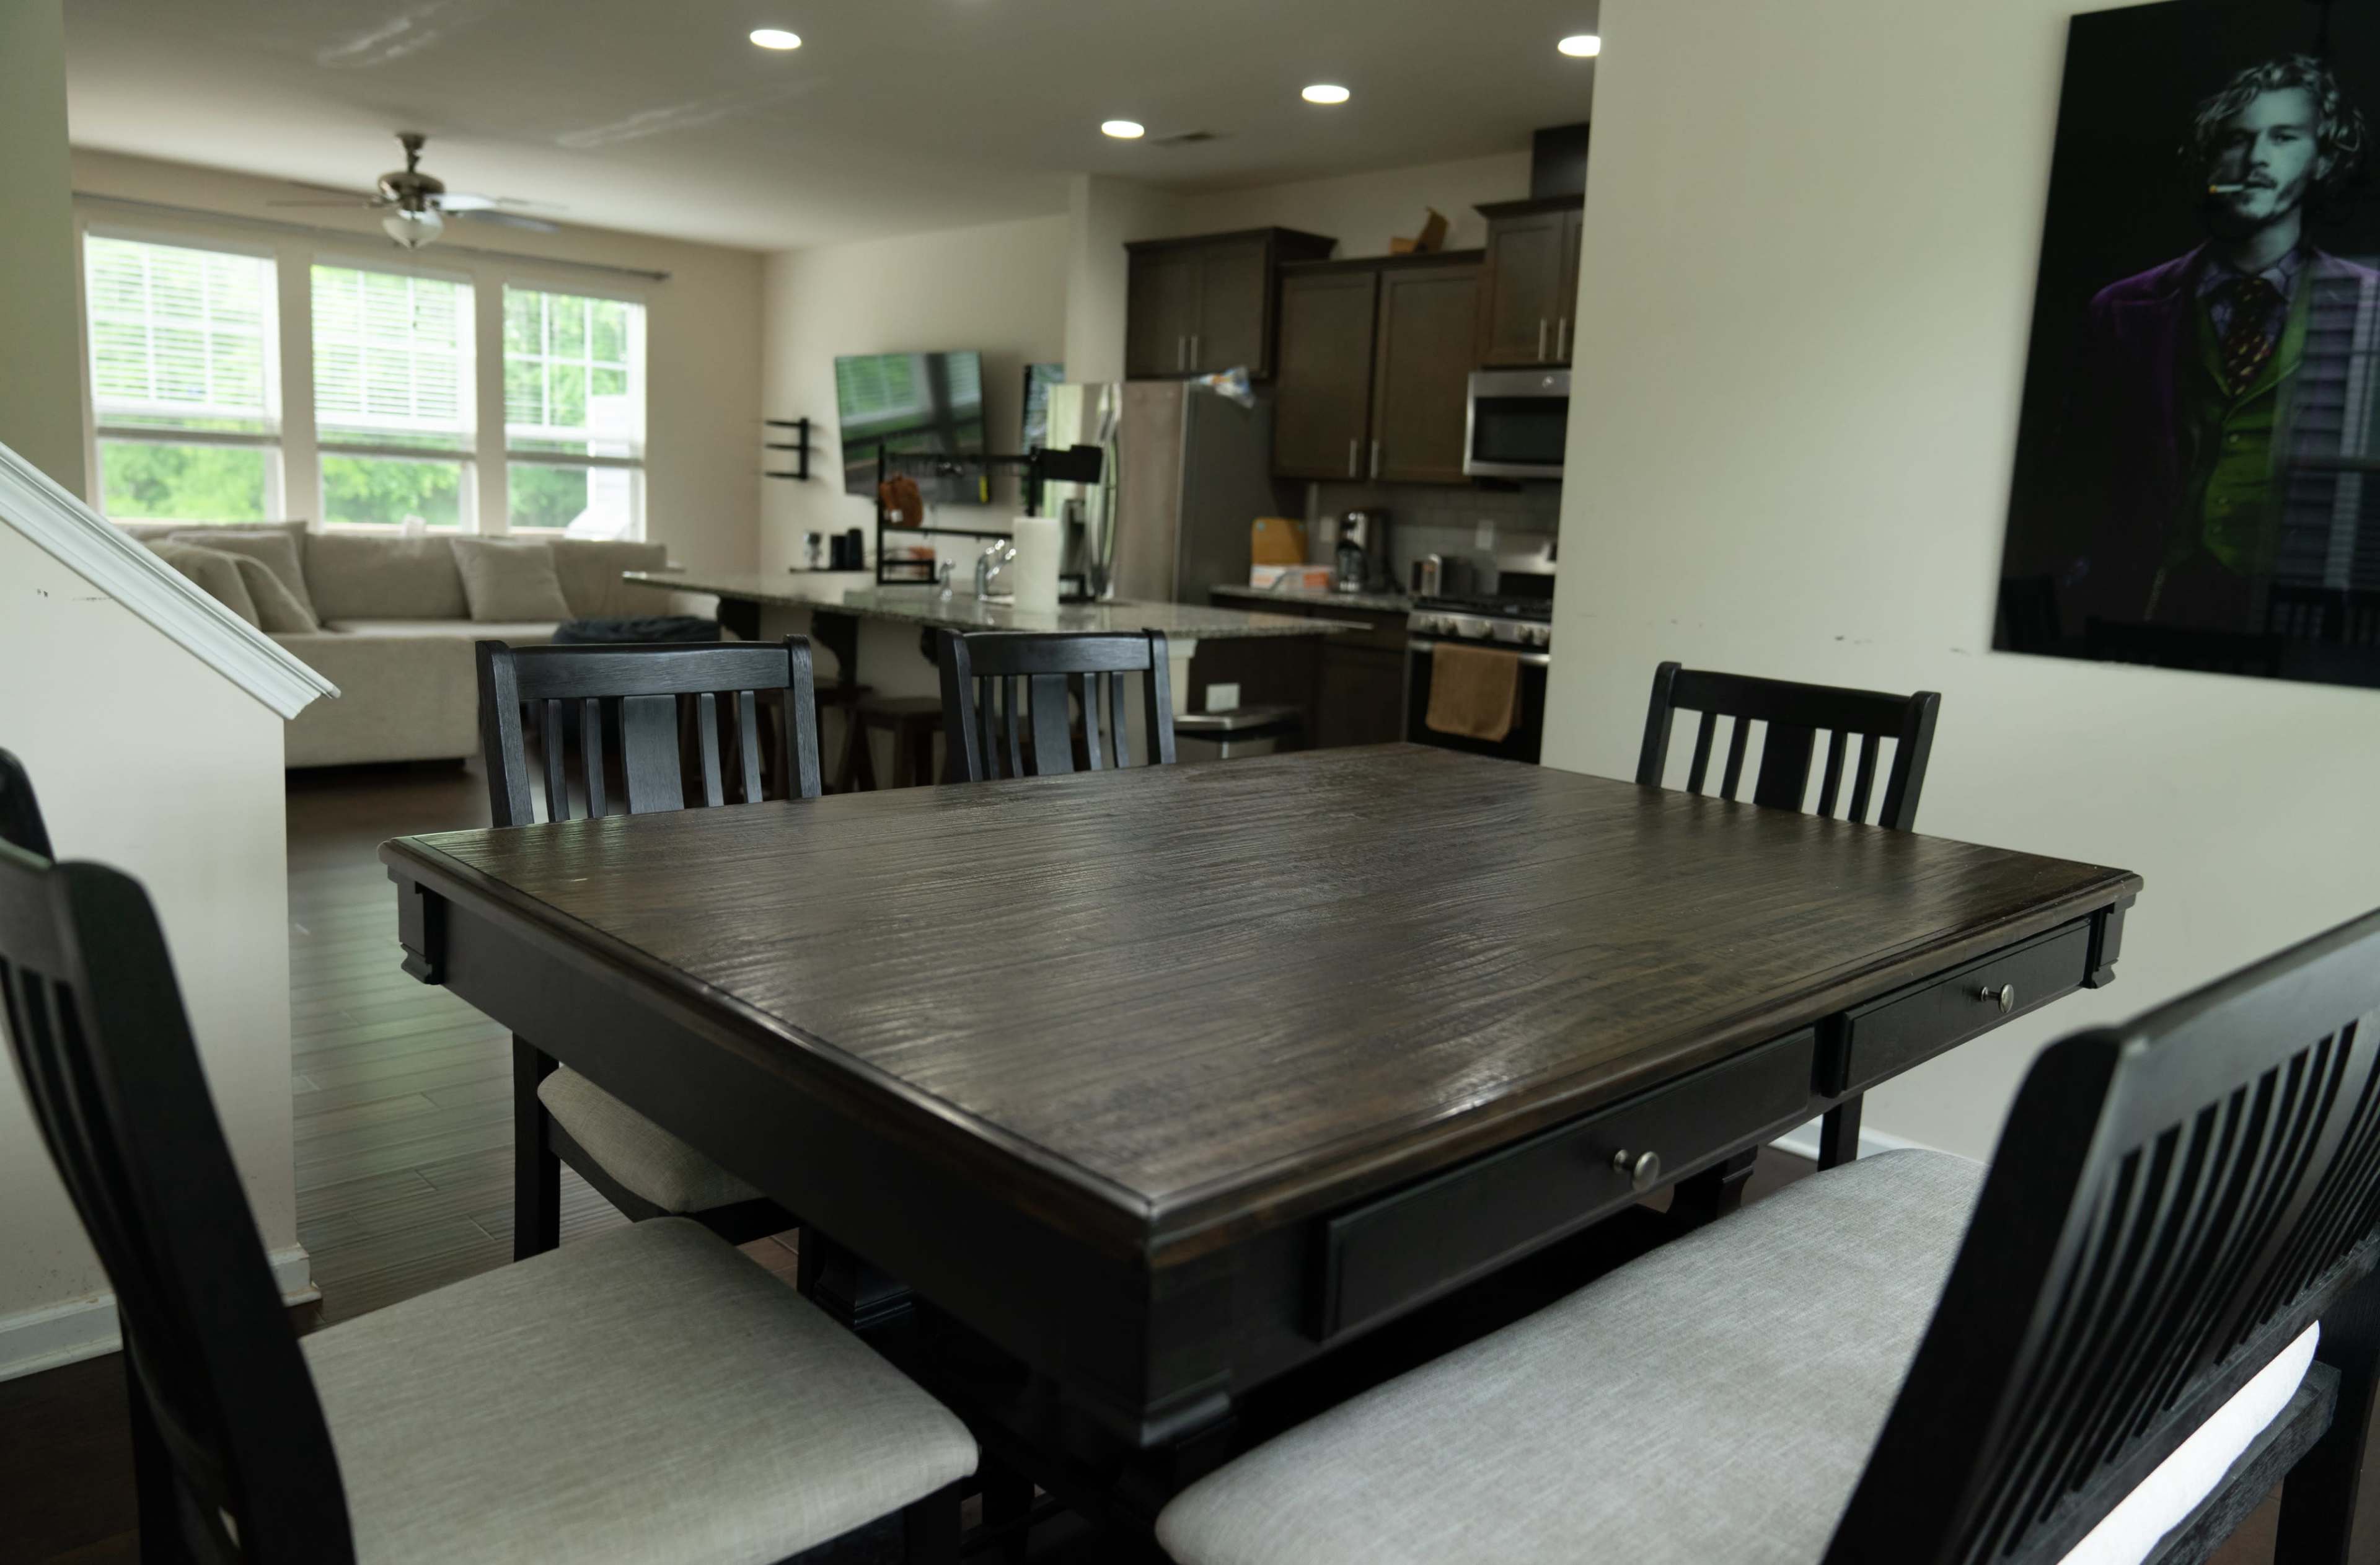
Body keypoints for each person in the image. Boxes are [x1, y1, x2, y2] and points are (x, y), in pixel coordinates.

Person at [2061, 55, 2376, 631]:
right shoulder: (2123, 308)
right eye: (2238, 139)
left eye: (2284, 138)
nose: (2257, 160)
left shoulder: (2371, 307)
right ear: (2212, 155)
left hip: (2297, 615)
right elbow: (2080, 474)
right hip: (2141, 603)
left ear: (2324, 158)